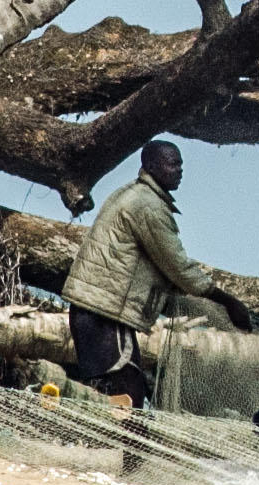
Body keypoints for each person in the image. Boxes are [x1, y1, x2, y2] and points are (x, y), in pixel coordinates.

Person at [62, 140, 223, 406]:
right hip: (103, 315)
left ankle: (115, 446)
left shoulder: (133, 195)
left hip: (93, 312)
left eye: (181, 164)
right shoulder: (147, 204)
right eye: (173, 163)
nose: (179, 170)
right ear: (150, 166)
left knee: (114, 393)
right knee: (128, 394)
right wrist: (225, 300)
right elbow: (177, 264)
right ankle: (126, 448)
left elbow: (154, 267)